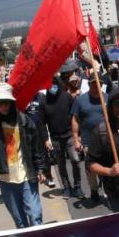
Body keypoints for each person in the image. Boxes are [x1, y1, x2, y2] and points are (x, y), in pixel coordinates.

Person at [0, 83, 47, 229]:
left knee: (35, 215)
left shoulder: (24, 120)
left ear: (11, 103)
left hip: (27, 175)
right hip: (5, 179)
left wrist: (41, 169)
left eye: (6, 103)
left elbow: (37, 147)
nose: (3, 106)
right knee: (19, 221)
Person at [42, 61, 83, 198]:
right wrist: (46, 139)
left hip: (70, 136)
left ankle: (77, 186)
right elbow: (42, 122)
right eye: (50, 85)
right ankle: (67, 187)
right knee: (61, 165)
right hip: (55, 138)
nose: (52, 87)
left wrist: (78, 136)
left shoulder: (66, 97)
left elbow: (76, 116)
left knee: (75, 160)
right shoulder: (45, 102)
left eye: (55, 83)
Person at [72, 72, 109, 206]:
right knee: (91, 169)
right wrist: (76, 139)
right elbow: (75, 120)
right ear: (89, 84)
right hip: (88, 142)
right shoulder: (80, 100)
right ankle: (94, 191)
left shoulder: (107, 98)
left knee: (107, 167)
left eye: (99, 83)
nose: (96, 86)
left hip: (107, 141)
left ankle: (108, 191)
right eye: (93, 83)